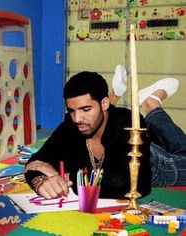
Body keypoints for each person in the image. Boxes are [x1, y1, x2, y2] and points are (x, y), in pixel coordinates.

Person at [24, 67, 152, 199]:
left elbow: (132, 183)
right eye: (72, 110)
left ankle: (153, 104)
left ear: (104, 104)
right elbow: (35, 163)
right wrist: (40, 181)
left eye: (85, 109)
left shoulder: (128, 122)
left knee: (169, 142)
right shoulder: (71, 125)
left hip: (161, 164)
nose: (77, 118)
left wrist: (65, 177)